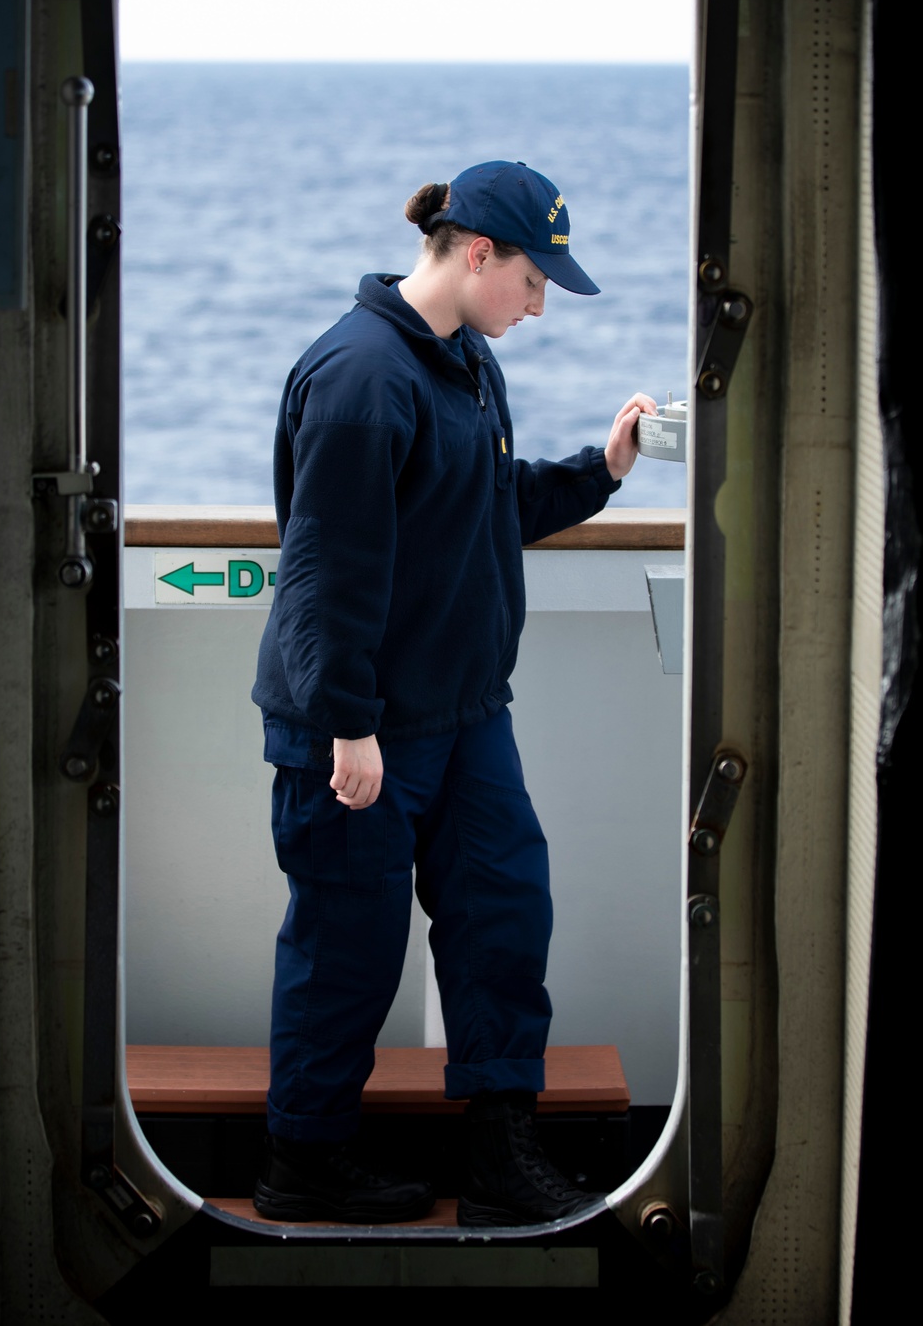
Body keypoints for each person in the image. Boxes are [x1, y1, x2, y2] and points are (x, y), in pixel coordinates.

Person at [251, 160, 656, 1227]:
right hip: (362, 726)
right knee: (348, 944)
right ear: (477, 253)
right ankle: (305, 1155)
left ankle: (498, 1149)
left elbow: (488, 504)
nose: (535, 306)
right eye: (532, 282)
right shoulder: (360, 378)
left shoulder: (466, 360)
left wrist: (600, 472)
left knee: (502, 914)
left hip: (466, 714)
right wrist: (348, 724)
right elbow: (327, 573)